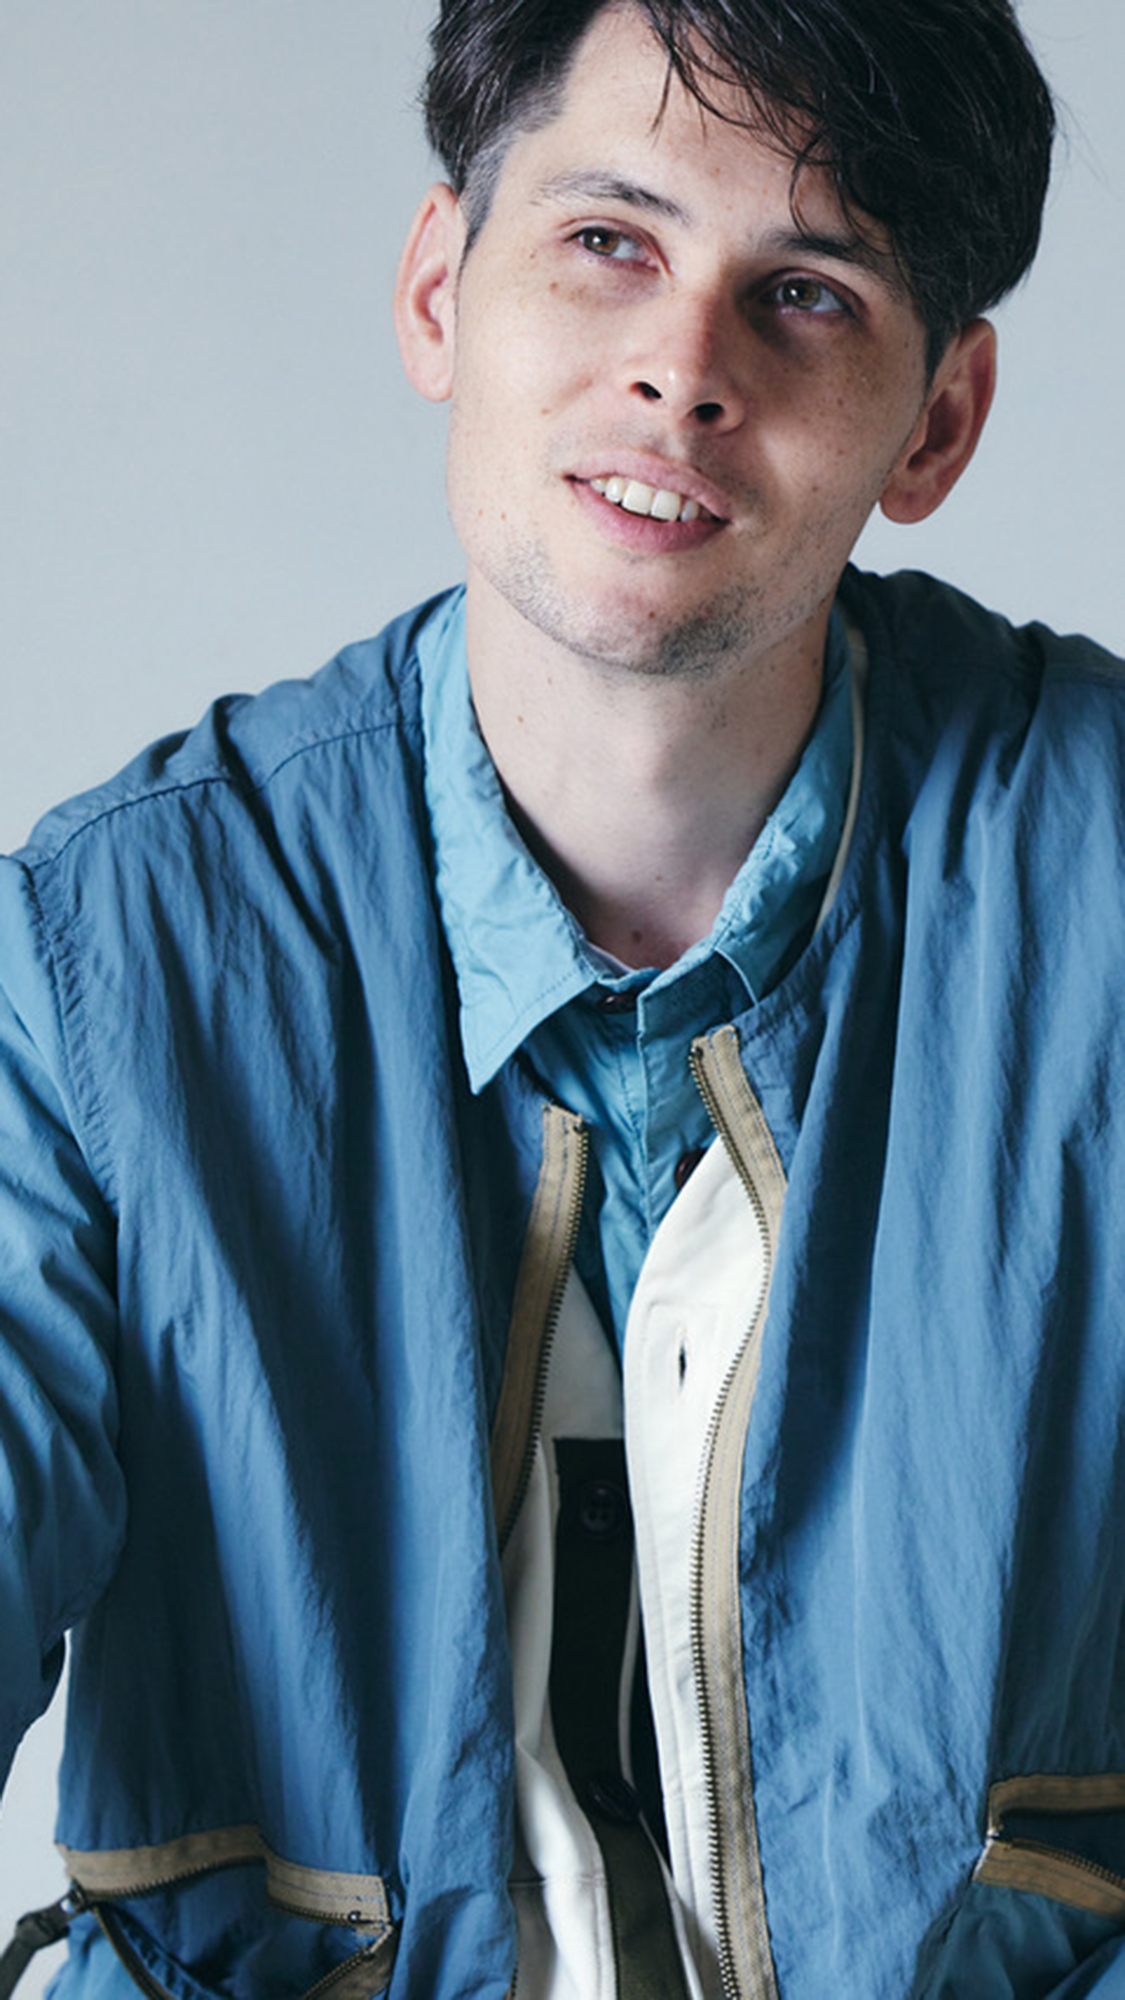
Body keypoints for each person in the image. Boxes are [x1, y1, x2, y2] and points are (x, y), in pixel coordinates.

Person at [0, 0, 1122, 1995]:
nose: (680, 372)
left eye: (803, 294)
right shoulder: (106, 961)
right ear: (440, 287)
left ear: (934, 424)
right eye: (607, 241)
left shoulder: (1098, 889)